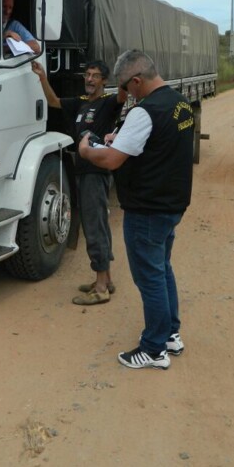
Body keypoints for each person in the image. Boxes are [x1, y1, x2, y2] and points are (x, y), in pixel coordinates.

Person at [78, 49, 193, 370]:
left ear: (138, 80)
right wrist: (122, 136)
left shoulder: (145, 111)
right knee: (162, 268)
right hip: (172, 204)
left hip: (147, 208)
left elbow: (112, 160)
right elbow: (158, 142)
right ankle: (171, 334)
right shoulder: (178, 102)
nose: (125, 94)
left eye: (126, 87)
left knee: (149, 278)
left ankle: (154, 349)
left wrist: (87, 151)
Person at [31, 59, 125, 305]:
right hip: (83, 171)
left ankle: (102, 287)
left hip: (96, 172)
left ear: (104, 81)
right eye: (87, 75)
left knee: (95, 227)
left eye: (95, 76)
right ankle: (105, 279)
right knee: (98, 225)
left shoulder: (108, 103)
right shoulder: (80, 103)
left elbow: (123, 96)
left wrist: (126, 73)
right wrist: (42, 76)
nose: (90, 80)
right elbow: (53, 101)